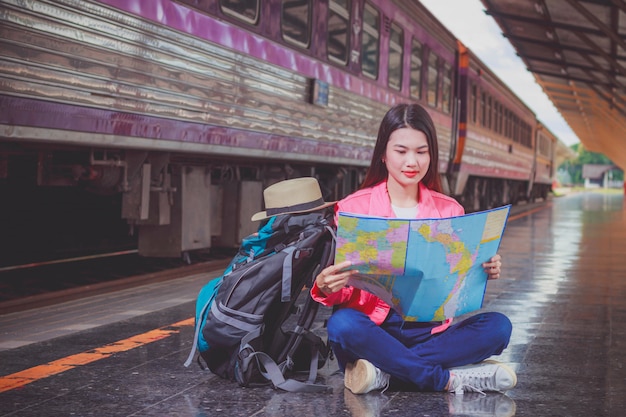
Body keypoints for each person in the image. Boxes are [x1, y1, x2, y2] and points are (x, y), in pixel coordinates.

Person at [310, 103, 516, 395]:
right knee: (343, 326)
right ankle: (443, 379)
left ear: (431, 155)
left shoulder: (450, 210)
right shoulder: (354, 208)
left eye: (421, 152)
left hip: (430, 333)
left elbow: (458, 290)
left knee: (499, 327)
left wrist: (482, 268)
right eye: (401, 151)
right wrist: (325, 285)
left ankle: (385, 372)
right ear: (383, 153)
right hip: (374, 331)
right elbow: (344, 291)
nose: (412, 161)